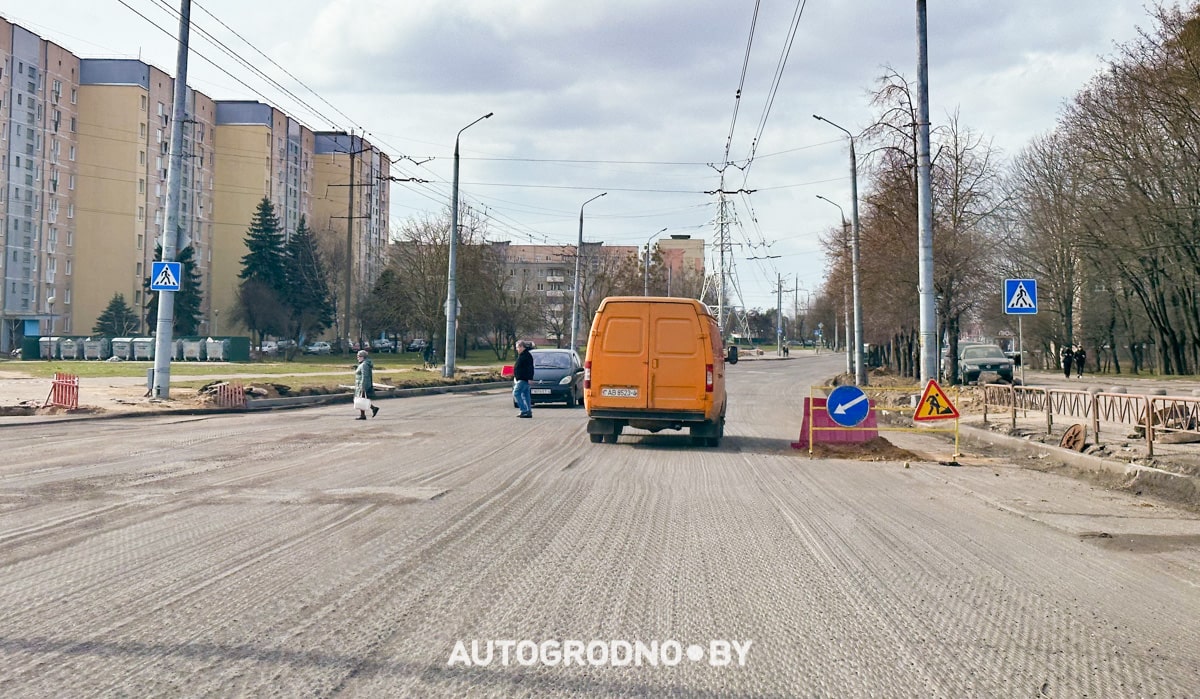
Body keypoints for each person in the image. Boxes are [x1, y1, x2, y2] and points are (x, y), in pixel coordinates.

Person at [354, 349, 379, 420]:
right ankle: (372, 409)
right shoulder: (362, 364)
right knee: (362, 399)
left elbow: (365, 376)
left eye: (359, 356)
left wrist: (363, 386)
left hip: (362, 385)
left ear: (363, 357)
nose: (357, 358)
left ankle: (364, 414)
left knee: (361, 399)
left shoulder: (364, 365)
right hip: (360, 384)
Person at [513, 340, 534, 418]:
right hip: (523, 378)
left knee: (516, 393)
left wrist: (530, 378)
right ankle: (528, 411)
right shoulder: (523, 355)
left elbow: (530, 368)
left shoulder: (526, 356)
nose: (517, 349)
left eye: (517, 347)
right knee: (526, 395)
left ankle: (524, 410)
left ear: (522, 347)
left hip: (523, 378)